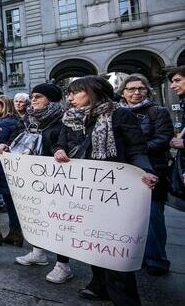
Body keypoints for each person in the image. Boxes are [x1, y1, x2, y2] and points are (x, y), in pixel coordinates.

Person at [53, 76, 158, 304]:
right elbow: (61, 143)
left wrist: (144, 171)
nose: (70, 98)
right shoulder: (69, 118)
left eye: (75, 92)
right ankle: (100, 285)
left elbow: (136, 149)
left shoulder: (120, 115)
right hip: (83, 191)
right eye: (69, 93)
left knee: (113, 248)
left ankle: (124, 298)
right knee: (92, 242)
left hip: (113, 192)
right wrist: (60, 151)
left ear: (93, 92)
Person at [11, 83, 73, 283]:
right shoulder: (30, 118)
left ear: (51, 99)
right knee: (37, 216)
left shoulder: (63, 119)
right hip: (34, 178)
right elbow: (21, 139)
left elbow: (65, 143)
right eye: (33, 96)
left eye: (38, 96)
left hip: (56, 179)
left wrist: (59, 150)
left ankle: (63, 265)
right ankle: (38, 252)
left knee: (59, 221)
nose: (33, 99)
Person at [118, 74, 172, 276]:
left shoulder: (157, 112)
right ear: (123, 92)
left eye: (141, 88)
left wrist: (136, 151)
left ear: (148, 91)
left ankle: (156, 259)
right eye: (131, 89)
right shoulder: (117, 113)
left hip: (152, 168)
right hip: (125, 171)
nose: (136, 92)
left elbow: (163, 138)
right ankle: (134, 255)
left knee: (153, 216)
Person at [0, 96, 22, 245]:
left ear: (4, 107)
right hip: (13, 169)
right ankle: (15, 232)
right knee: (11, 203)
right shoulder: (18, 121)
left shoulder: (2, 124)